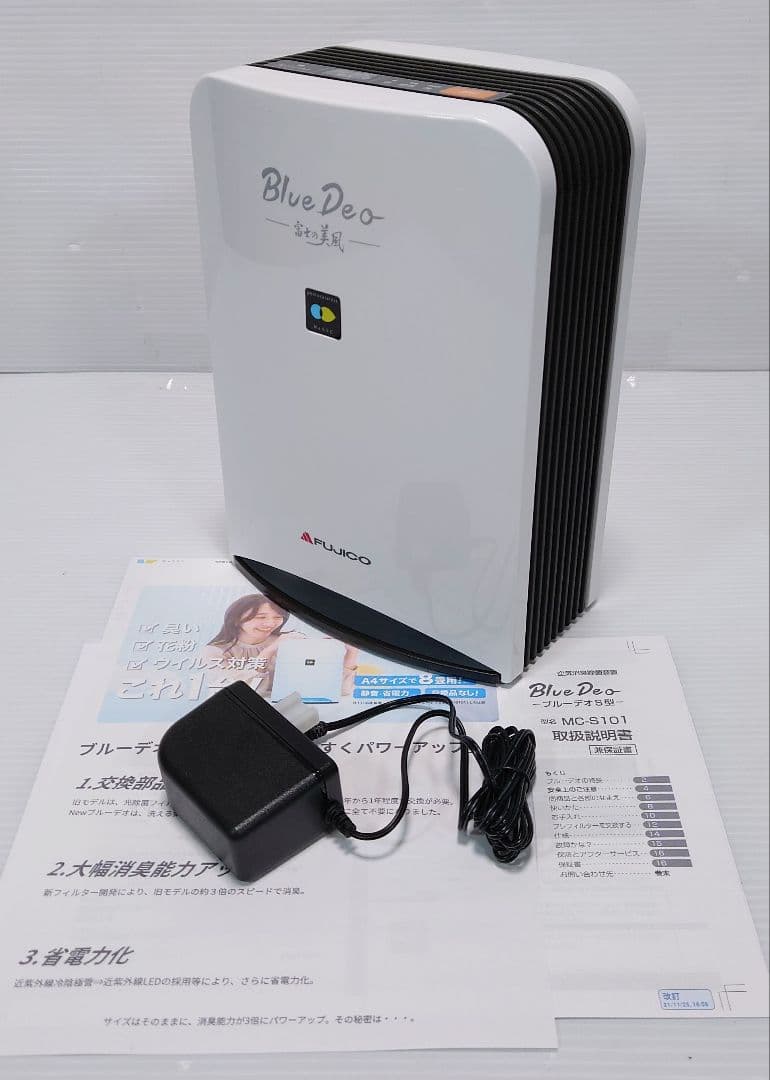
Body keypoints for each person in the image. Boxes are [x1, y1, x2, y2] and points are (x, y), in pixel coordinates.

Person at [201, 593, 358, 698]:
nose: (270, 623)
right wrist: (269, 651)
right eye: (261, 617)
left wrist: (351, 653)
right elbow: (235, 693)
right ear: (236, 619)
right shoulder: (215, 651)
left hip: (293, 710)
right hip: (246, 713)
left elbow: (338, 690)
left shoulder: (291, 641)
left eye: (278, 617)